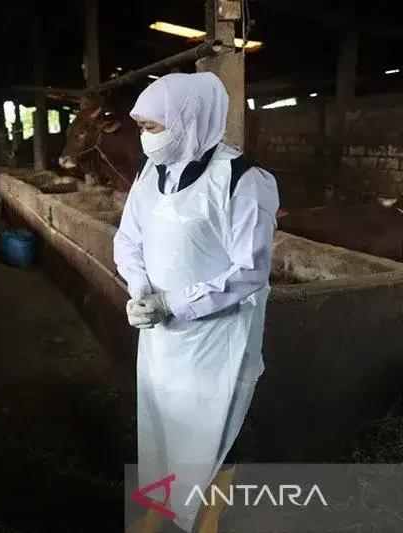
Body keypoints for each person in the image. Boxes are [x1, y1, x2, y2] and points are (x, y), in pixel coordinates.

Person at [113, 72, 279, 533]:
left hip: (216, 336)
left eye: (153, 127)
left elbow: (249, 270)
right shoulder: (153, 173)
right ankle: (160, 507)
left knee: (213, 428)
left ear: (189, 119)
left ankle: (206, 518)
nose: (146, 138)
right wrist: (140, 289)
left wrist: (176, 304)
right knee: (161, 421)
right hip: (161, 336)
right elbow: (130, 238)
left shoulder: (242, 181)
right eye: (142, 127)